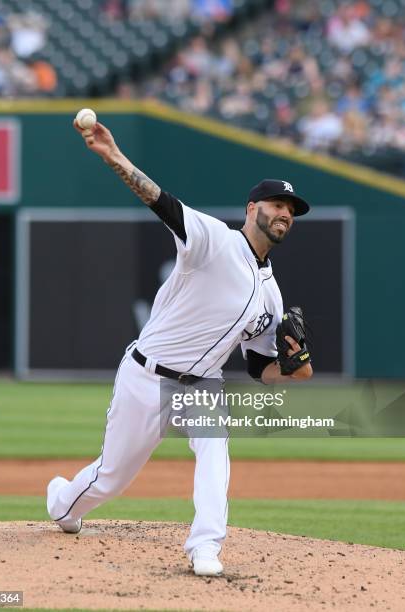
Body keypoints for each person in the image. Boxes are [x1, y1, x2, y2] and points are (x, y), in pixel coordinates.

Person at [46, 119, 313, 576]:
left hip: (202, 387)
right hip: (147, 374)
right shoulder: (213, 240)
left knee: (215, 450)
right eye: (276, 203)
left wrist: (294, 372)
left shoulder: (273, 294)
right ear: (252, 209)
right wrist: (113, 155)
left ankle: (205, 547)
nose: (284, 212)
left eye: (291, 208)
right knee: (112, 476)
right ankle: (62, 503)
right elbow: (161, 202)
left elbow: (259, 366)